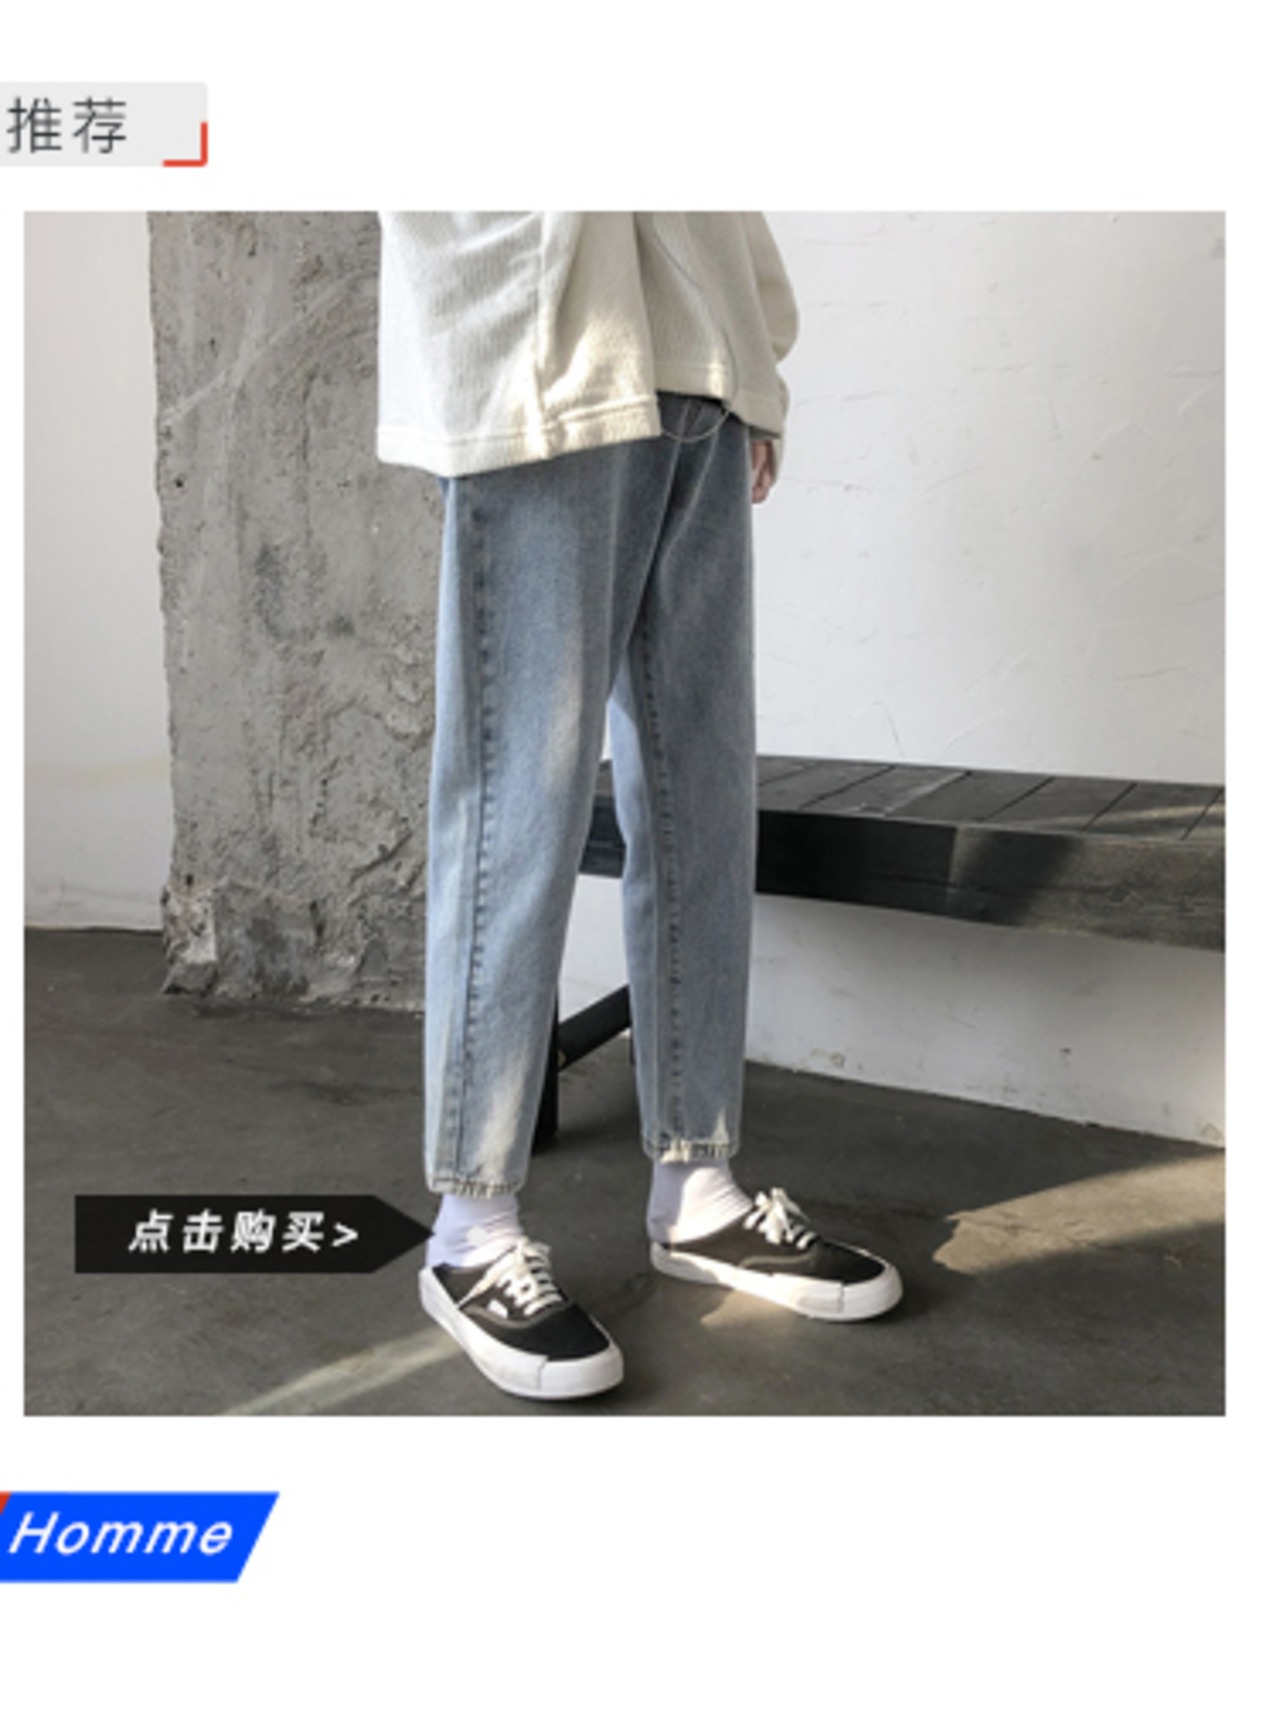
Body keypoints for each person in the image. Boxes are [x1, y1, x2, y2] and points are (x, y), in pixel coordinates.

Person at [376, 212, 902, 1401]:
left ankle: (696, 1189)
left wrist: (748, 363)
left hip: (697, 368)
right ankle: (469, 1228)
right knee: (520, 795)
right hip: (550, 354)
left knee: (701, 793)